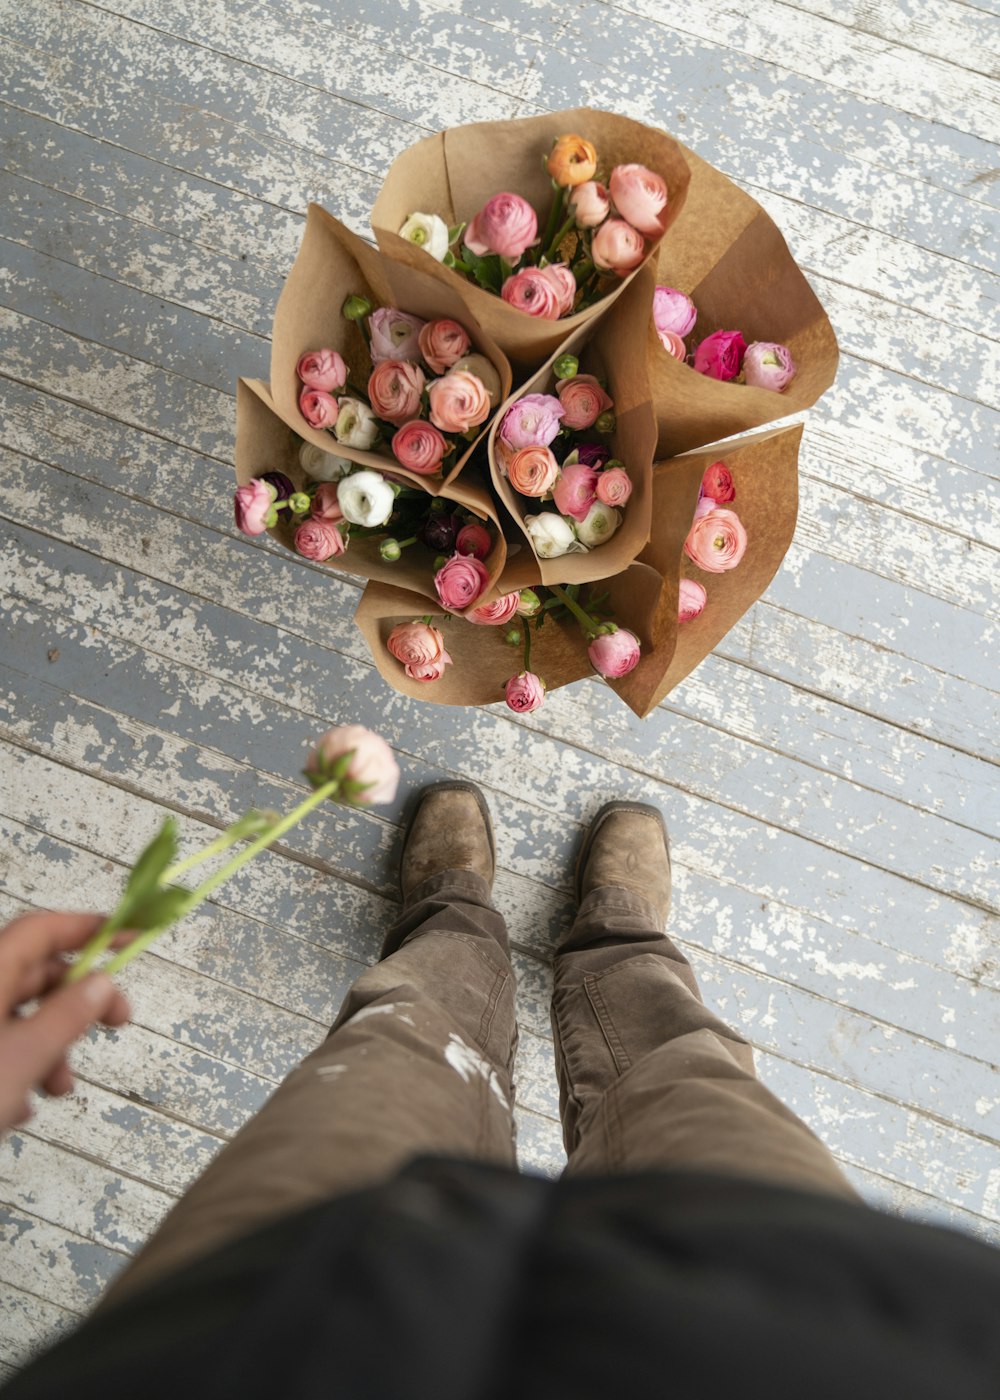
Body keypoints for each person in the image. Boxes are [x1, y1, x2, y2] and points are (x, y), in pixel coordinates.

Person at [3, 783, 999, 1397]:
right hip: (802, 1333)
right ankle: (617, 947)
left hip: (269, 1329)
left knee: (394, 1048)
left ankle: (453, 928)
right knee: (689, 1075)